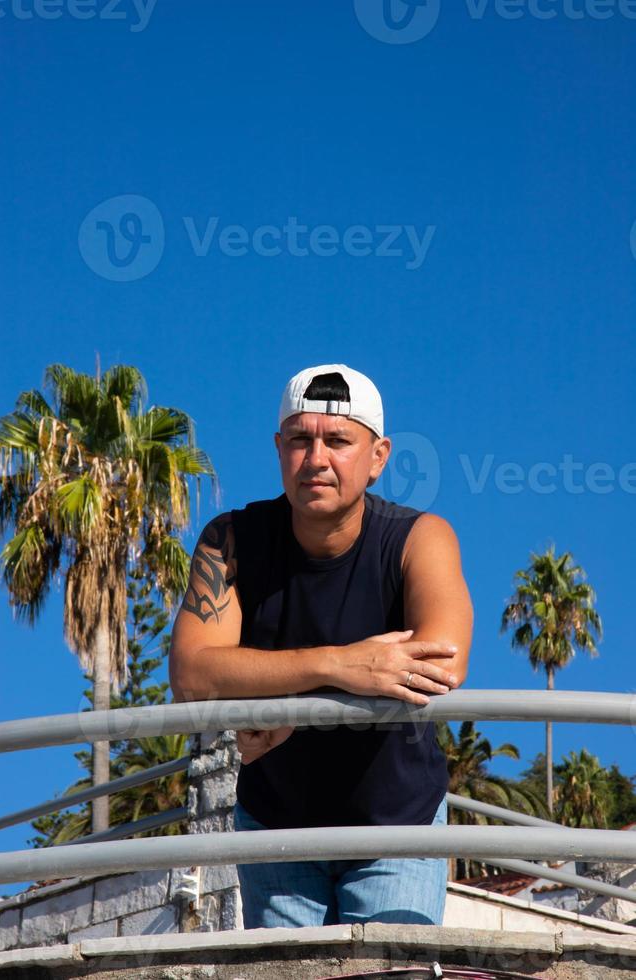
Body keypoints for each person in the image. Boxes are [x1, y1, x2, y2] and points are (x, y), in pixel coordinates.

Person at [170, 363, 473, 929]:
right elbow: (191, 671)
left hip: (395, 823)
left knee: (391, 976)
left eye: (338, 440)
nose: (316, 458)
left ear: (378, 457)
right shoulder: (230, 539)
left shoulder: (419, 537)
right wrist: (344, 664)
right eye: (300, 440)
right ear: (278, 448)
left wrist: (276, 697)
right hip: (279, 825)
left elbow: (442, 661)